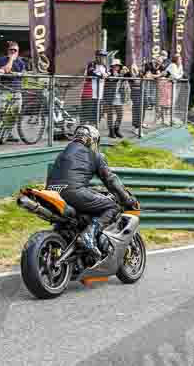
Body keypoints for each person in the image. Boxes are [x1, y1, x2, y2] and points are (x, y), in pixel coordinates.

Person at [45, 125, 138, 261]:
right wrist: (127, 199)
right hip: (73, 193)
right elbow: (111, 180)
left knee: (74, 218)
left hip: (52, 193)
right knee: (112, 207)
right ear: (92, 140)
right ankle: (88, 235)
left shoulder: (62, 154)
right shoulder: (95, 155)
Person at [0, 41, 27, 141]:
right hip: (5, 91)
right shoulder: (2, 60)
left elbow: (23, 75)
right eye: (11, 50)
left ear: (18, 51)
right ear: (7, 50)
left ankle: (7, 134)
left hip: (17, 91)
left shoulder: (21, 62)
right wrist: (11, 60)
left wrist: (21, 75)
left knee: (14, 114)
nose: (13, 51)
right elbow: (6, 70)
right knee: (3, 113)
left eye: (15, 50)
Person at [102, 59, 129, 139]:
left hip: (118, 96)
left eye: (118, 65)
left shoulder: (121, 73)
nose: (116, 67)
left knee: (120, 114)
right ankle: (111, 131)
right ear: (112, 66)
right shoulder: (109, 72)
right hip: (109, 95)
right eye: (115, 65)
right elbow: (112, 79)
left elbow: (129, 77)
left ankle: (116, 129)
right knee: (110, 115)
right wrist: (120, 75)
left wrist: (127, 72)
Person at [80, 50, 107, 125]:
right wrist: (101, 76)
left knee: (97, 115)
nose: (102, 58)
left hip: (99, 94)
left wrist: (107, 74)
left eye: (104, 57)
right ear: (97, 57)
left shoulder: (104, 66)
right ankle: (83, 130)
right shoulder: (91, 64)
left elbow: (107, 75)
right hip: (89, 93)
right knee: (86, 113)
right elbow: (91, 72)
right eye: (101, 56)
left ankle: (93, 131)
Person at [125, 63, 142, 131]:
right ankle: (136, 126)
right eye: (132, 67)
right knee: (136, 108)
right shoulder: (129, 74)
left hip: (140, 92)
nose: (134, 68)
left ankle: (139, 124)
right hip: (134, 93)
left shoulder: (140, 74)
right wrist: (131, 71)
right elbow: (131, 79)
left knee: (139, 108)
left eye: (135, 67)